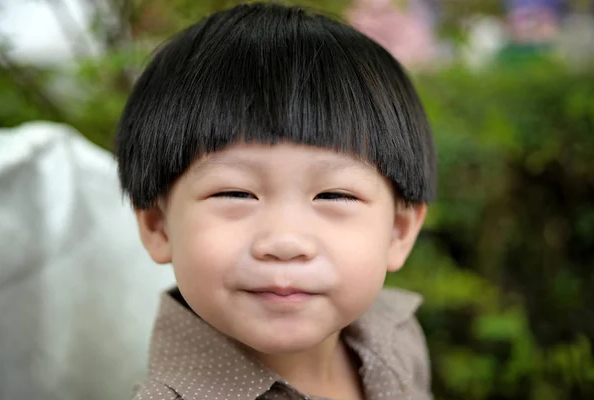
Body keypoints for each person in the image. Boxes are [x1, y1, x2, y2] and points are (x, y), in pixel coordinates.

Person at [115, 2, 437, 399]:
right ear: (157, 225)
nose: (285, 242)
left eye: (334, 194)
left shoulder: (398, 337)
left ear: (398, 232)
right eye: (235, 193)